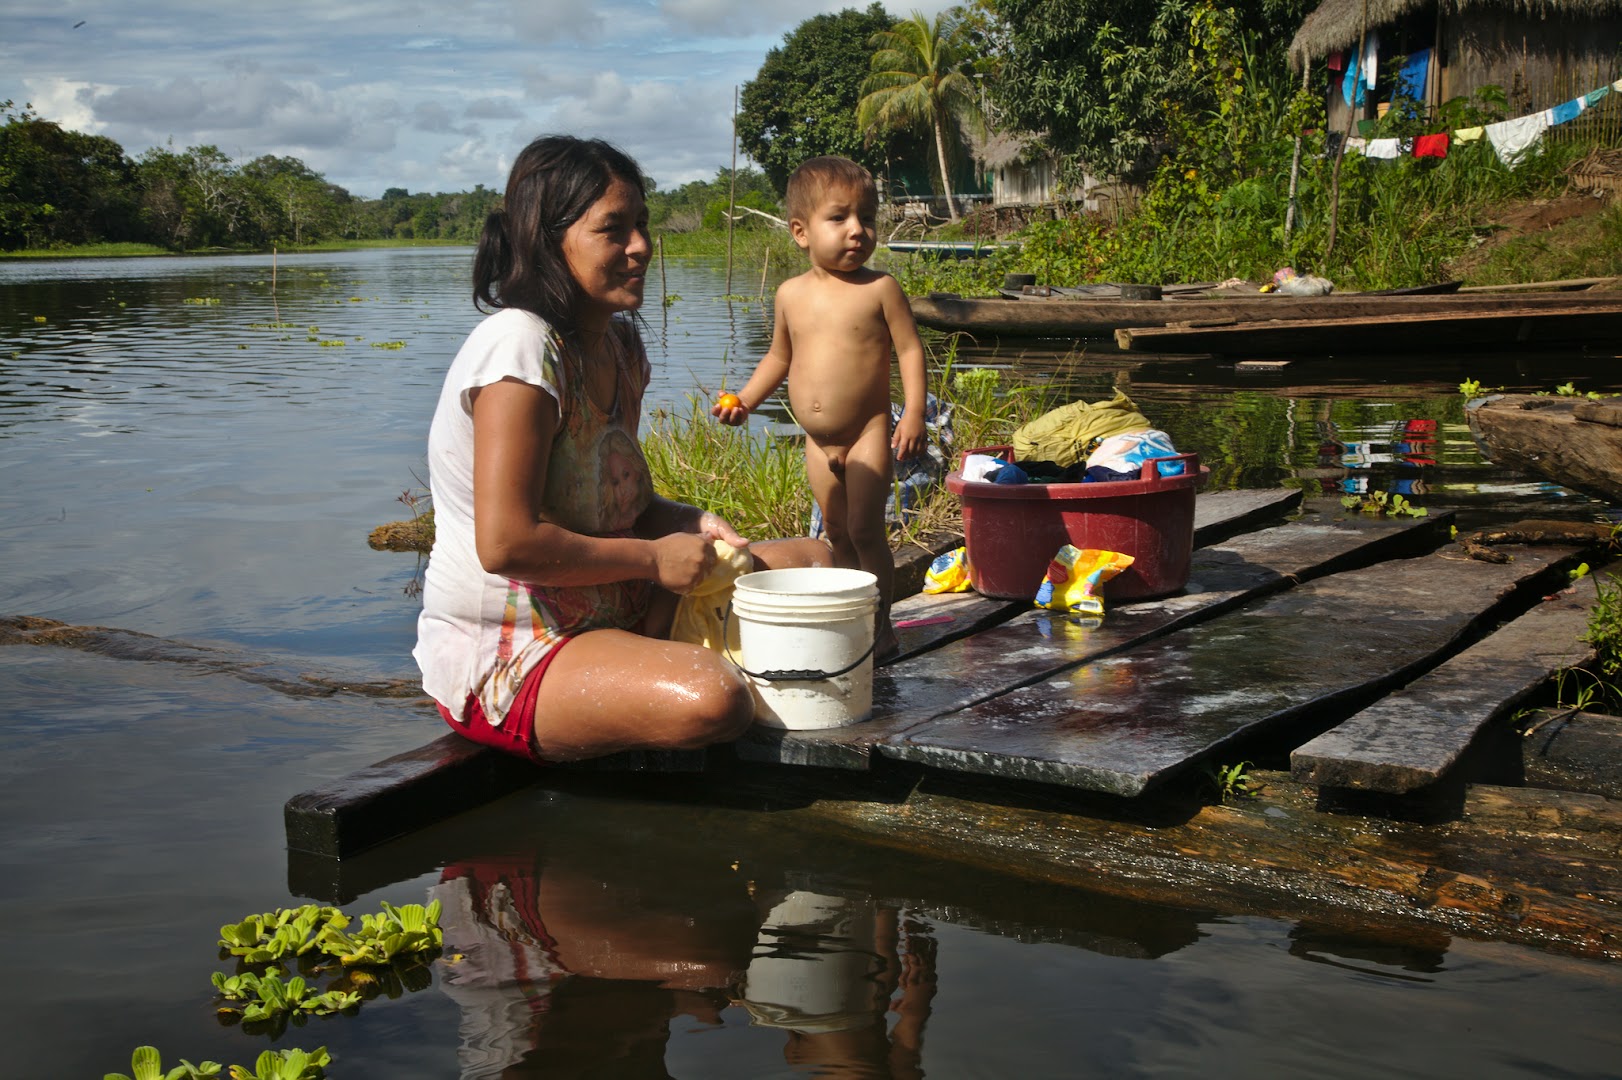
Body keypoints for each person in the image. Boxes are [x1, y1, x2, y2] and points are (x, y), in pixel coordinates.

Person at [414, 135, 829, 764]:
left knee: (819, 565)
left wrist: (686, 522)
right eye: (614, 229)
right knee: (713, 698)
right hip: (520, 646)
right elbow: (506, 544)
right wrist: (653, 561)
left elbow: (617, 507)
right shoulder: (518, 349)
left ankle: (657, 652)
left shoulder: (619, 348)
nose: (640, 247)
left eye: (641, 225)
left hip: (619, 607)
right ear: (547, 240)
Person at [712, 156, 928, 656]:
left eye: (867, 218)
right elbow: (778, 356)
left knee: (865, 530)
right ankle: (850, 618)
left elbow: (910, 350)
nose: (858, 230)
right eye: (839, 218)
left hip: (868, 430)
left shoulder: (880, 289)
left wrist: (913, 412)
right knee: (836, 533)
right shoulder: (790, 294)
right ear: (800, 232)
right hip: (817, 440)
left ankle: (881, 627)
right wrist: (746, 399)